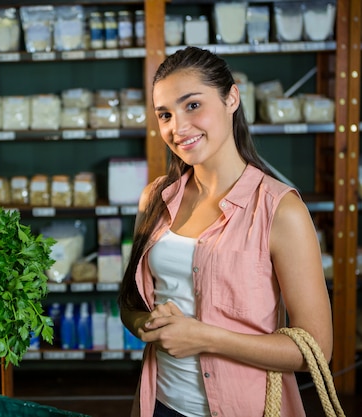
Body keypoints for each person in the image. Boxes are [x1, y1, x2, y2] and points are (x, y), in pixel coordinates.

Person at [118, 46, 333, 417]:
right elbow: (130, 302)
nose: (177, 127)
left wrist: (205, 338)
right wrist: (147, 323)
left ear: (231, 98)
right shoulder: (154, 198)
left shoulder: (281, 210)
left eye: (193, 105)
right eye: (165, 114)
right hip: (159, 404)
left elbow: (315, 349)